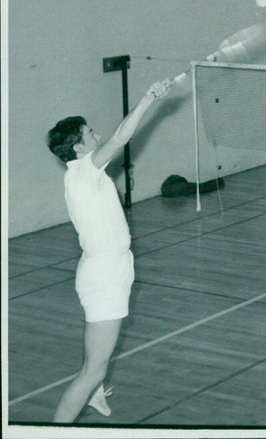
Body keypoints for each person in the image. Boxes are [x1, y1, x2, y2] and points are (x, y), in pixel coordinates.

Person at [47, 79, 171, 422]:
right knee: (92, 372)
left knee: (95, 364)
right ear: (78, 147)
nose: (97, 135)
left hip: (111, 268)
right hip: (104, 276)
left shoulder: (81, 175)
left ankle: (96, 391)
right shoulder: (84, 171)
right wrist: (147, 99)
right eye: (90, 133)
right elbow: (120, 137)